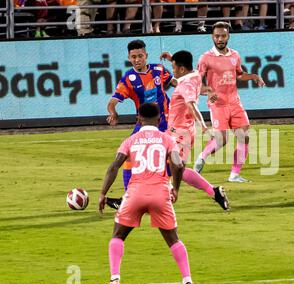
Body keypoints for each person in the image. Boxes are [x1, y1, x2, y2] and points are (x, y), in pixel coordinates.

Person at [99, 102, 194, 284]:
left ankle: (114, 279)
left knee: (118, 235)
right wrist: (175, 189)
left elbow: (114, 167)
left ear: (138, 119)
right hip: (160, 193)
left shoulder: (130, 140)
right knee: (173, 239)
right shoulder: (166, 139)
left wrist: (103, 193)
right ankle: (187, 281)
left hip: (135, 194)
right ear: (159, 120)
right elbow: (178, 165)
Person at [193, 21, 265, 183]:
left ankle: (234, 174)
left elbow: (239, 74)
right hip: (218, 105)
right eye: (217, 36)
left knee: (244, 136)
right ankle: (202, 157)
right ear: (212, 37)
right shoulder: (206, 58)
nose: (220, 39)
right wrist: (208, 91)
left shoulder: (235, 55)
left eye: (223, 36)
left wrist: (253, 76)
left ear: (228, 36)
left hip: (234, 102)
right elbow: (196, 81)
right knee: (221, 140)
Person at [106, 39, 175, 202]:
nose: (137, 60)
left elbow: (175, 81)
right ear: (129, 58)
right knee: (128, 155)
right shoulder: (128, 79)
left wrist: (192, 89)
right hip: (143, 123)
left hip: (165, 122)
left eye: (140, 56)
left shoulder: (158, 69)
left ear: (146, 56)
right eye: (134, 57)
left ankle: (168, 188)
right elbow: (113, 101)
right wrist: (113, 112)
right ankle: (127, 196)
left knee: (169, 157)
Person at [159, 50, 230, 210]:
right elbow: (188, 75)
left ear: (182, 69)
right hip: (176, 130)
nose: (173, 71)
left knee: (178, 169)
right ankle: (212, 192)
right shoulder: (195, 74)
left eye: (174, 68)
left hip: (181, 133)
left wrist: (204, 127)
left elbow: (191, 105)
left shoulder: (186, 84)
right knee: (163, 161)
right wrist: (172, 59)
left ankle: (210, 191)